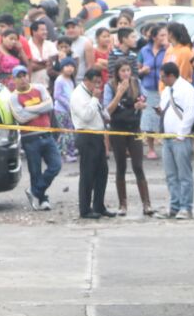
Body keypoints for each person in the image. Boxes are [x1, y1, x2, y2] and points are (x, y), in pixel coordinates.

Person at [8, 65, 62, 211]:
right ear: (14, 79)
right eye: (19, 76)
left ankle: (34, 191)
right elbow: (21, 118)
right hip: (30, 138)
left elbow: (49, 105)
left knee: (56, 165)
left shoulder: (39, 88)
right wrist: (40, 108)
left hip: (46, 133)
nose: (23, 78)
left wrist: (29, 109)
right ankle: (42, 199)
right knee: (35, 170)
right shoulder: (13, 97)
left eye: (24, 75)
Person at [103, 60, 152, 216]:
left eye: (128, 70)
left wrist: (141, 103)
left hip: (134, 128)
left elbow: (144, 96)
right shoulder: (109, 86)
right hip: (118, 129)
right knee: (121, 166)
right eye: (122, 71)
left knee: (138, 165)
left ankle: (146, 203)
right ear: (117, 73)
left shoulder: (136, 83)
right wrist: (119, 93)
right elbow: (108, 110)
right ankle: (122, 204)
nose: (126, 74)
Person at [157, 62, 194, 219]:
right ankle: (175, 205)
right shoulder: (167, 91)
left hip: (180, 137)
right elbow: (164, 108)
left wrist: (182, 134)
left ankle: (186, 207)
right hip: (167, 137)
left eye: (163, 77)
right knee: (171, 174)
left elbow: (189, 113)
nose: (162, 80)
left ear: (171, 76)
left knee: (184, 174)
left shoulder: (187, 89)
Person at [70, 66, 109, 219]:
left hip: (98, 135)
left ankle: (99, 205)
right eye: (95, 82)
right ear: (86, 80)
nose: (97, 86)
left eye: (100, 83)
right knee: (88, 173)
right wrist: (94, 99)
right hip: (86, 135)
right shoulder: (78, 95)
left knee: (102, 173)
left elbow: (99, 112)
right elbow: (86, 116)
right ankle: (85, 209)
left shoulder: (91, 93)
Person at [138, 24, 168, 159]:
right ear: (154, 37)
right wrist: (142, 71)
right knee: (149, 119)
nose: (164, 38)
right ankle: (150, 148)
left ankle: (167, 145)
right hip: (148, 88)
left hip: (164, 88)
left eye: (166, 35)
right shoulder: (144, 51)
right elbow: (136, 70)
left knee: (166, 117)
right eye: (162, 35)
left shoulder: (168, 50)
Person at [52, 57, 78, 161]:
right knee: (67, 132)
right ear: (62, 67)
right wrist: (67, 105)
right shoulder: (60, 80)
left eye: (72, 66)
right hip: (61, 110)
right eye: (67, 66)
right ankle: (67, 153)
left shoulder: (71, 80)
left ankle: (57, 151)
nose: (70, 68)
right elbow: (57, 95)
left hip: (69, 110)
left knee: (67, 131)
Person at [24, 21, 58, 88]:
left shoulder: (50, 45)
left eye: (46, 30)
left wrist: (36, 63)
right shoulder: (27, 46)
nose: (45, 32)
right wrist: (47, 64)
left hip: (50, 85)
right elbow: (30, 66)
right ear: (34, 32)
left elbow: (55, 63)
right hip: (33, 85)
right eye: (42, 30)